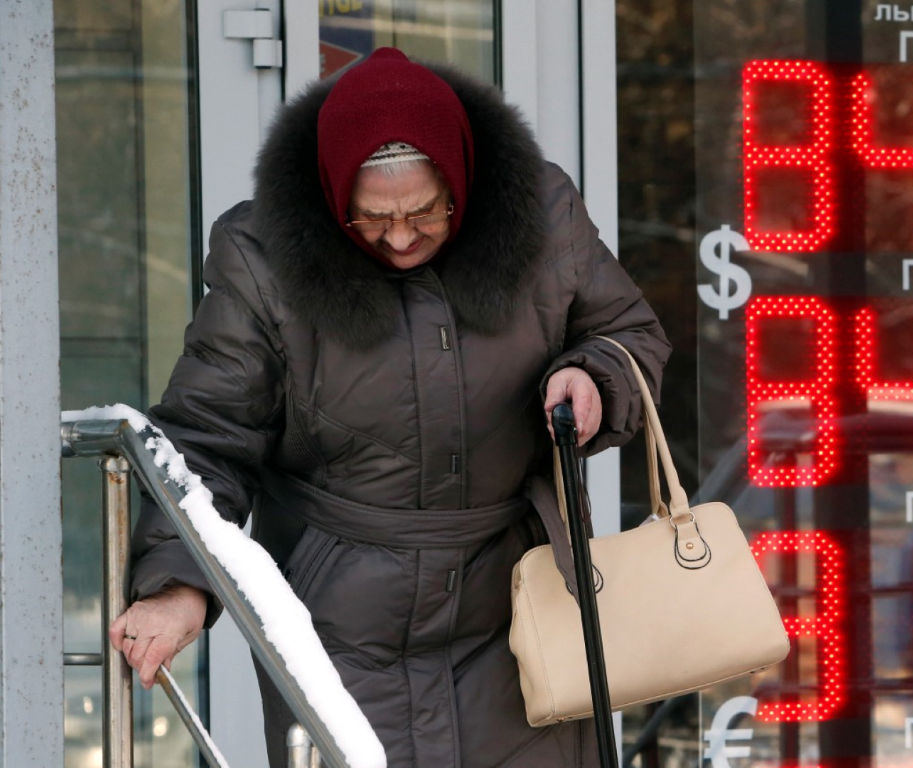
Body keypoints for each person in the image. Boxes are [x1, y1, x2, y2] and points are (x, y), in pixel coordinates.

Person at [107, 48, 670, 768]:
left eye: (425, 211)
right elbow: (208, 432)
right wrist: (178, 582)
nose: (400, 237)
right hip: (339, 619)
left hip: (521, 604)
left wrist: (595, 375)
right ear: (334, 198)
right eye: (371, 218)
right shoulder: (262, 256)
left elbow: (629, 335)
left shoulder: (542, 212)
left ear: (461, 183)